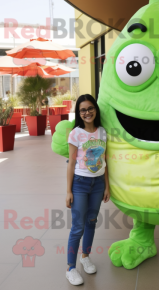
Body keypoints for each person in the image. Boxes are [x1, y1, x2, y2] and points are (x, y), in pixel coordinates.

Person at [66, 94, 110, 285]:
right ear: (79, 113)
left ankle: (85, 257)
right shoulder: (75, 133)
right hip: (80, 183)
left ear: (95, 109)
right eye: (83, 110)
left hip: (98, 184)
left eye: (90, 108)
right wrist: (68, 191)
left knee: (91, 222)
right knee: (78, 227)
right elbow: (71, 163)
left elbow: (105, 161)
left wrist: (107, 186)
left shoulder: (102, 132)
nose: (87, 112)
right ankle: (71, 268)